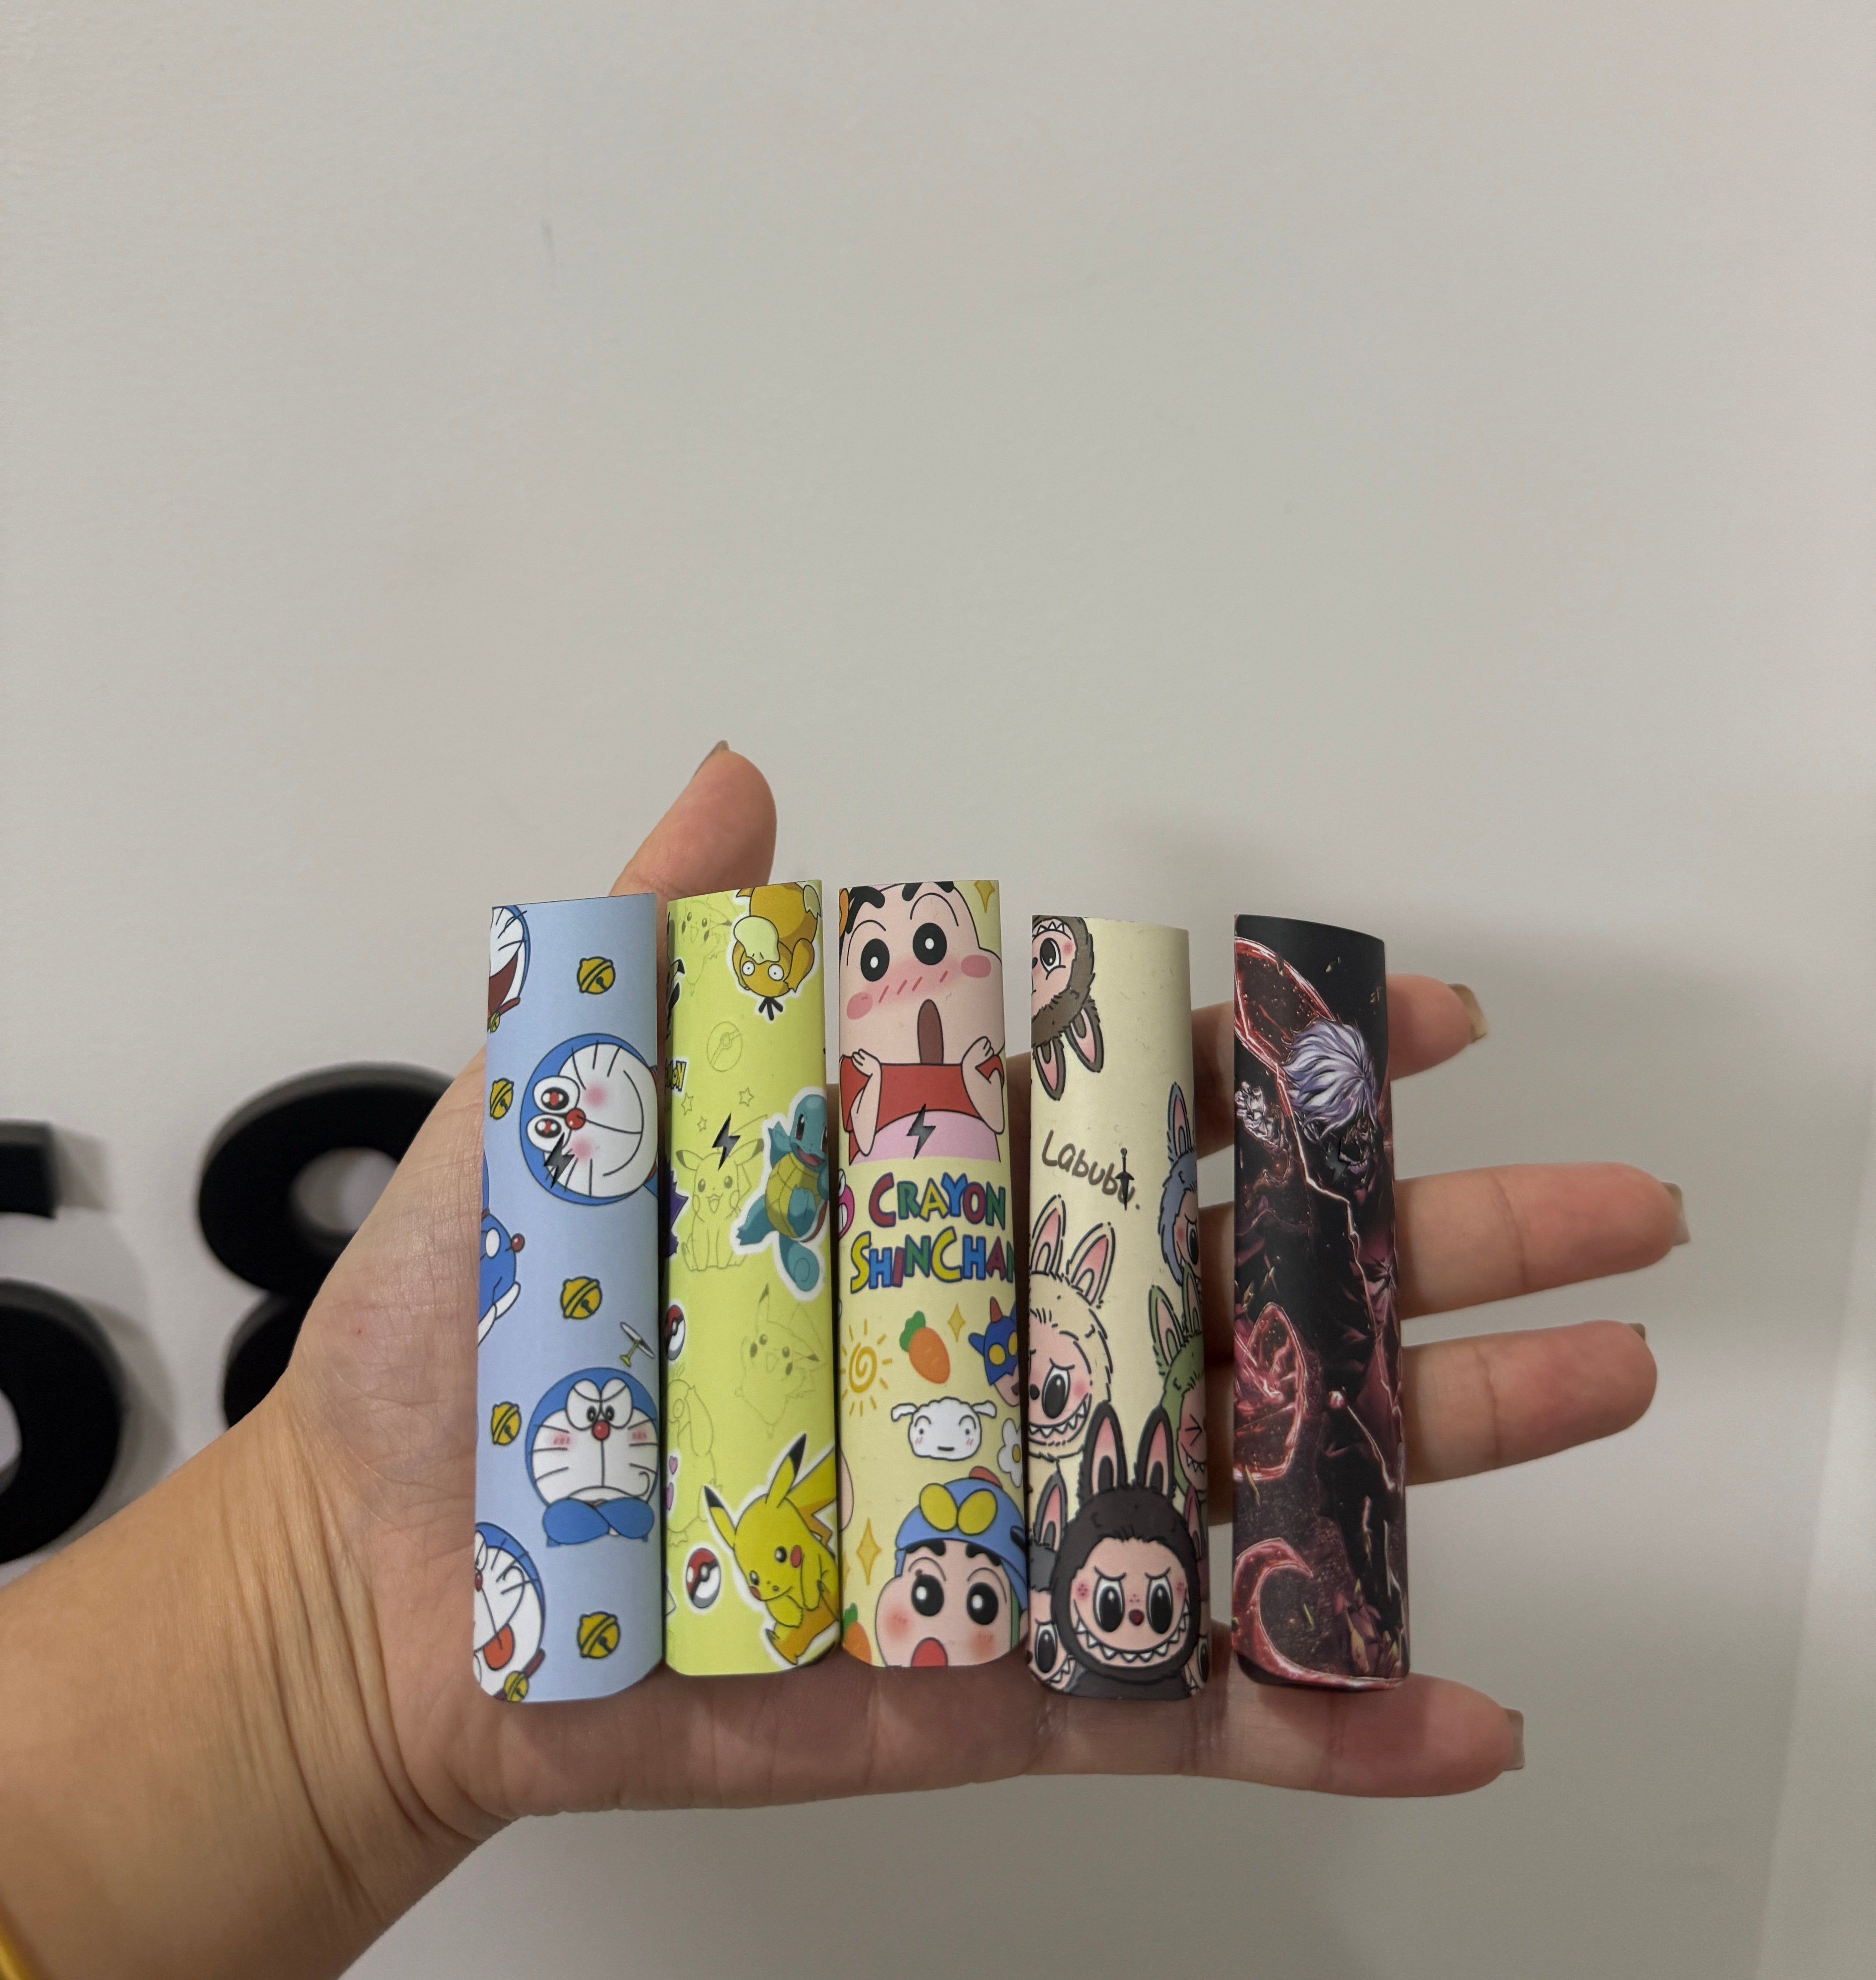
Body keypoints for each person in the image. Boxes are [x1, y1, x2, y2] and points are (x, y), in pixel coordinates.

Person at [0, 749, 1686, 1980]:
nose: (891, 973)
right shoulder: (629, 1022)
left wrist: (327, 1690)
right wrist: (327, 1656)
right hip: (667, 1561)